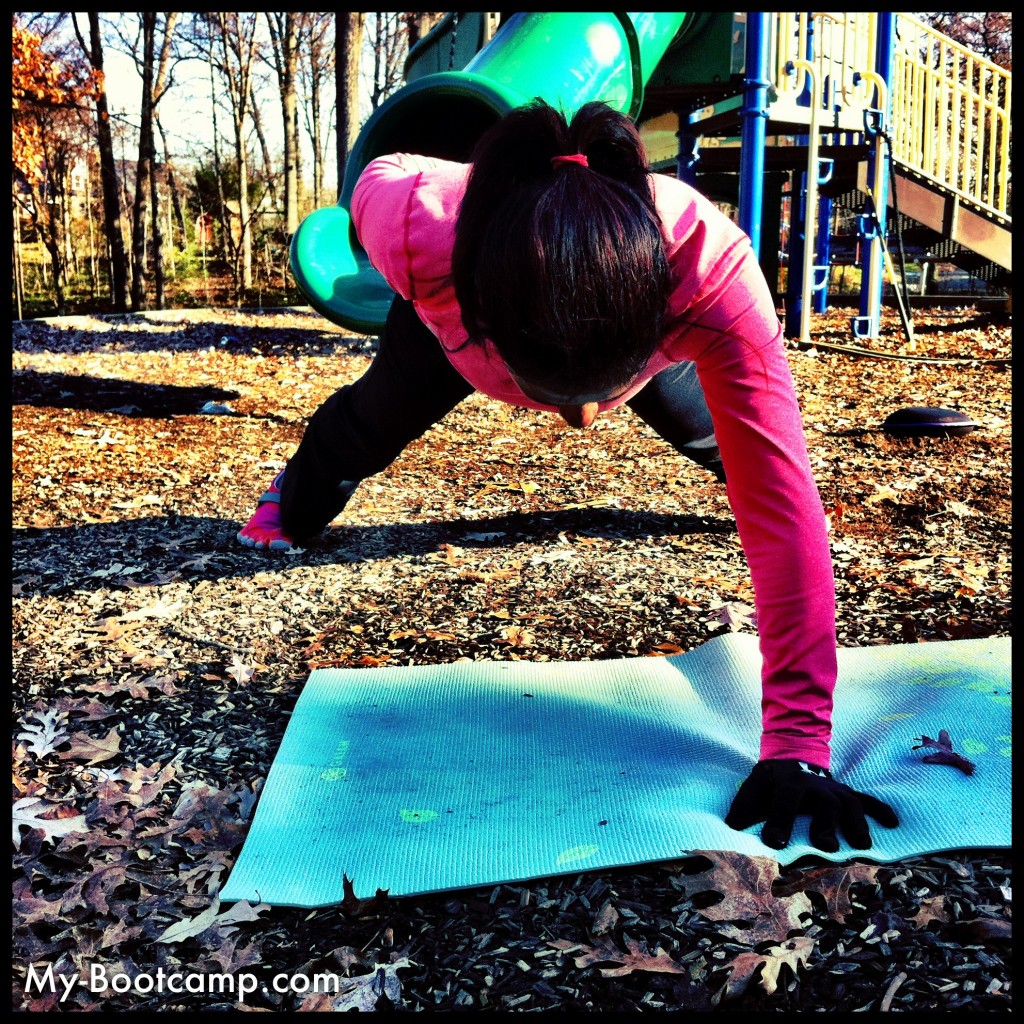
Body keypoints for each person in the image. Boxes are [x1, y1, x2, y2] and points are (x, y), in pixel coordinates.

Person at [238, 99, 899, 852]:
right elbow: (382, 169)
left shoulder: (711, 275)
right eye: (564, 398)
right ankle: (292, 504)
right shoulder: (415, 230)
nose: (580, 415)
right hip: (467, 312)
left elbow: (782, 505)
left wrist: (798, 743)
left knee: (726, 444)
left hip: (636, 331)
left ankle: (640, 388)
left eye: (592, 397)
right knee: (369, 424)